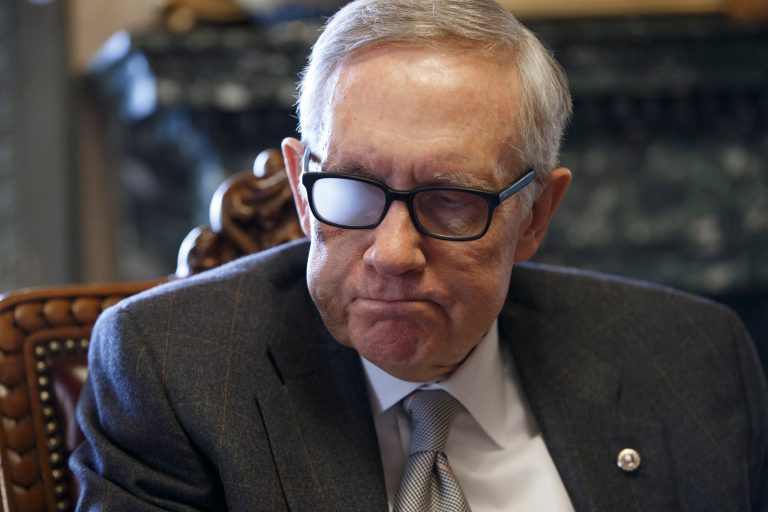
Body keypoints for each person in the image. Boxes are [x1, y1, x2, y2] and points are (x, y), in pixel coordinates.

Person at [71, 0, 768, 510]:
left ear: (535, 216)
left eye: (451, 200)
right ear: (301, 187)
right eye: (351, 189)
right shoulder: (170, 369)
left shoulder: (691, 360)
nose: (394, 254)